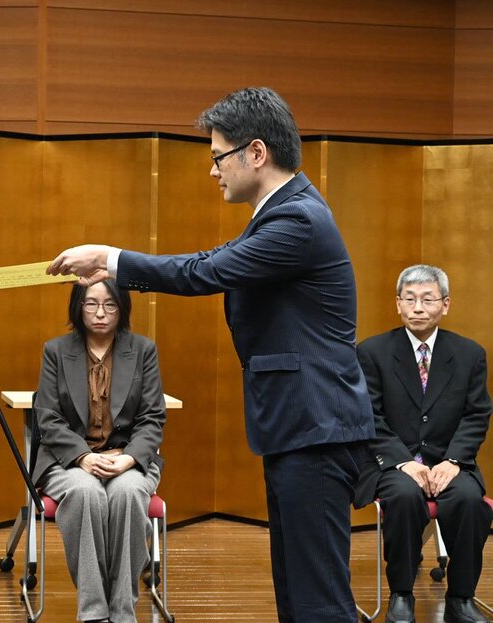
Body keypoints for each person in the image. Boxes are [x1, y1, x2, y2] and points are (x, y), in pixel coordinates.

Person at [45, 87, 375, 622]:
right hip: (299, 426)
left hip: (316, 428)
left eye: (218, 156)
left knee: (319, 602)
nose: (214, 170)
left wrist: (111, 256)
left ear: (257, 153)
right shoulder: (279, 215)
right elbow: (214, 259)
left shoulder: (298, 221)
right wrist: (117, 266)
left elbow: (206, 272)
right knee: (296, 592)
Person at [354, 264, 492, 623]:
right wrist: (403, 461)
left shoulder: (470, 354)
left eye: (428, 299)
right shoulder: (372, 352)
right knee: (402, 495)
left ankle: (461, 598)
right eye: (409, 299)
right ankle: (402, 594)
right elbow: (368, 415)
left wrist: (454, 461)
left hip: (450, 461)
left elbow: (477, 415)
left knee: (467, 500)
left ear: (445, 305)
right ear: (398, 304)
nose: (418, 308)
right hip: (393, 463)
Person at [33, 279, 166, 623]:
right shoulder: (56, 351)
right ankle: (93, 612)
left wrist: (126, 459)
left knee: (127, 493)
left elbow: (152, 418)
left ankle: (122, 612)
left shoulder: (143, 350)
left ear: (122, 308)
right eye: (91, 304)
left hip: (127, 457)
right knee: (86, 492)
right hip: (71, 462)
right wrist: (84, 457)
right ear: (78, 307)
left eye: (110, 305)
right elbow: (47, 417)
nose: (100, 313)